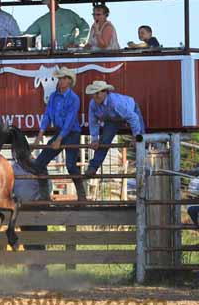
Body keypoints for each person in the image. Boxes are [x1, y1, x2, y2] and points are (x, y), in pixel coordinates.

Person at [33, 67, 86, 201]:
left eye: (63, 78)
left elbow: (70, 121)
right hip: (61, 132)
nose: (60, 81)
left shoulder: (74, 98)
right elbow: (47, 115)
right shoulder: (53, 96)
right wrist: (40, 134)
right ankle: (44, 195)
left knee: (70, 165)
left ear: (69, 81)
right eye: (60, 78)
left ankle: (81, 195)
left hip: (71, 133)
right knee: (40, 162)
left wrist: (59, 139)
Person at [85, 80, 145, 176]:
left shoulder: (115, 103)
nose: (95, 96)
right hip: (113, 118)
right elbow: (93, 121)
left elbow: (133, 117)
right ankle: (93, 167)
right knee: (104, 141)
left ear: (105, 92)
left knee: (140, 139)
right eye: (93, 93)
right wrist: (94, 139)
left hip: (130, 110)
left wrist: (136, 135)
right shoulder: (93, 104)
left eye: (97, 93)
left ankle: (144, 166)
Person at [12, 161, 48, 275]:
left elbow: (47, 185)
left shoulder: (38, 165)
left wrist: (41, 200)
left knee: (39, 238)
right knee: (28, 240)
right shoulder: (13, 168)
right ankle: (33, 268)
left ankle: (40, 268)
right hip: (23, 208)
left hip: (37, 207)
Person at [24, 0, 89, 48]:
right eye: (48, 2)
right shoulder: (42, 20)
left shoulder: (70, 14)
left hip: (69, 53)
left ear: (57, 1)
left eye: (51, 1)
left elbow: (84, 27)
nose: (50, 4)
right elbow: (28, 35)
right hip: (48, 54)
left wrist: (76, 43)